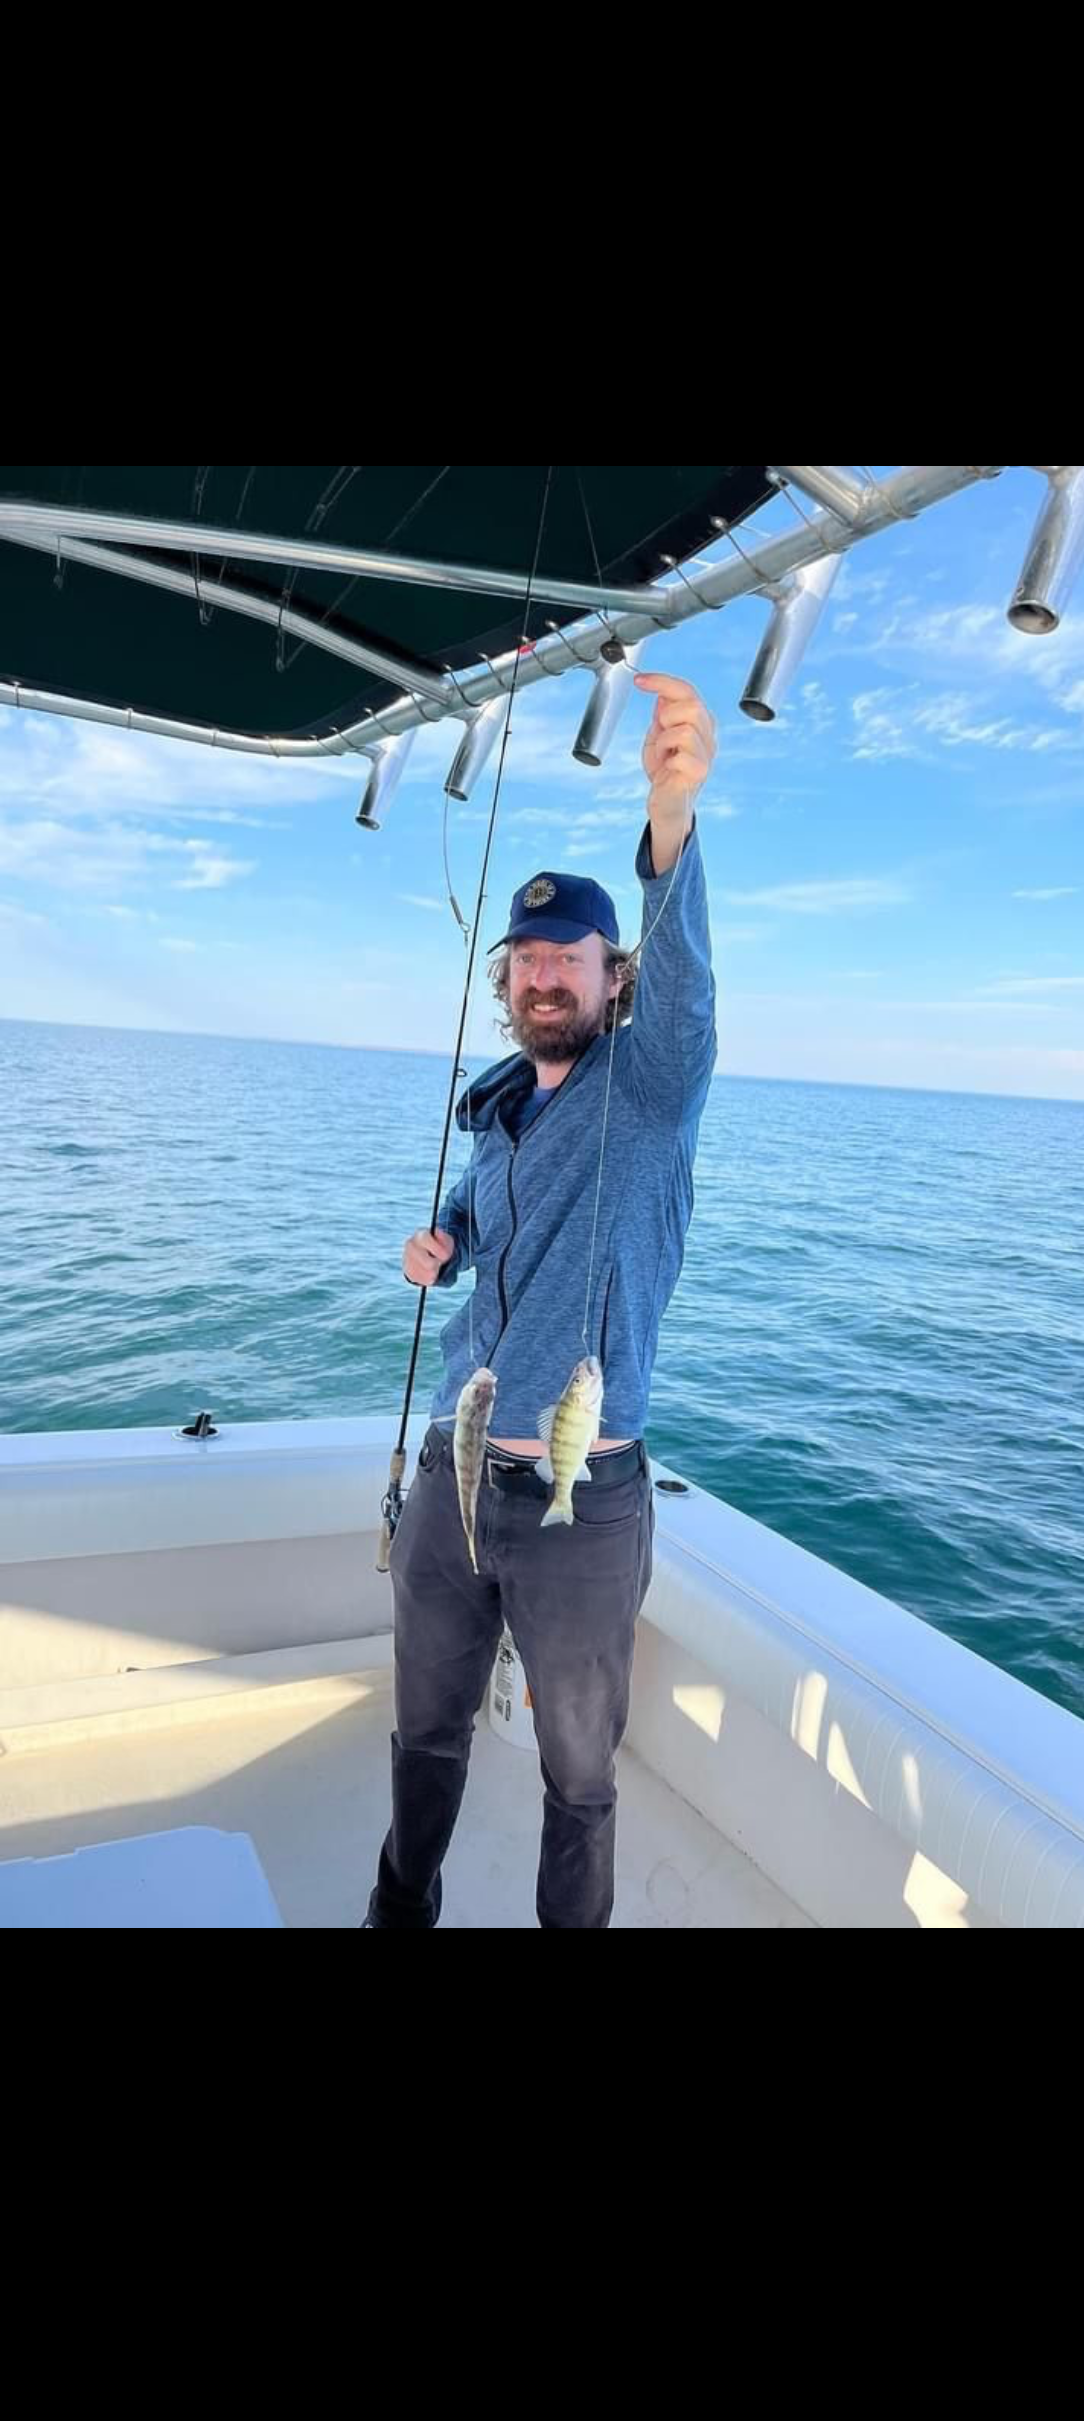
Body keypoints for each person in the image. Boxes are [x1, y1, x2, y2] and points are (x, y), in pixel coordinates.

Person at [364, 672, 718, 1927]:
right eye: (524, 961)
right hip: (454, 1478)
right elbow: (483, 1220)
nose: (542, 978)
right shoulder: (505, 1111)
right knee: (425, 1734)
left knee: (579, 1781)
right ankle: (396, 1910)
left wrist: (671, 825)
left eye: (567, 957)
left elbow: (686, 998)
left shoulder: (651, 1087)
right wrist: (443, 1241)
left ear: (612, 976)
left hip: (582, 1501)